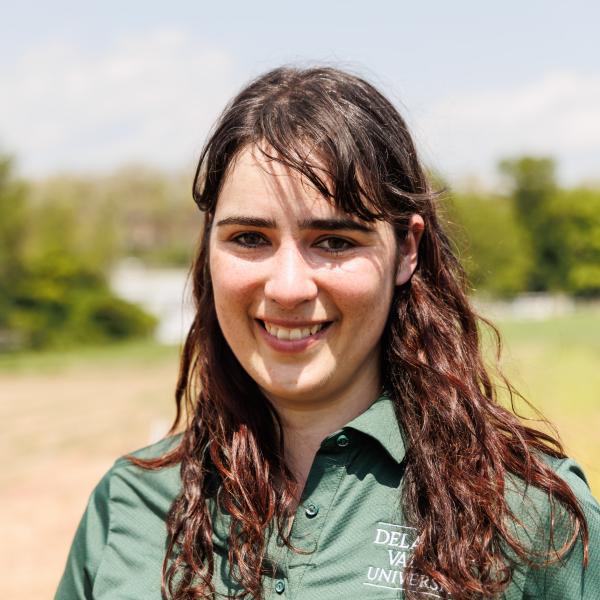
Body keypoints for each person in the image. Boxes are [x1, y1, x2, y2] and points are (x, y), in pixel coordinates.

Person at [55, 66, 599, 600]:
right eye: (249, 238)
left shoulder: (528, 517)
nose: (288, 287)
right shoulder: (131, 503)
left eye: (335, 241)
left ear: (406, 250)